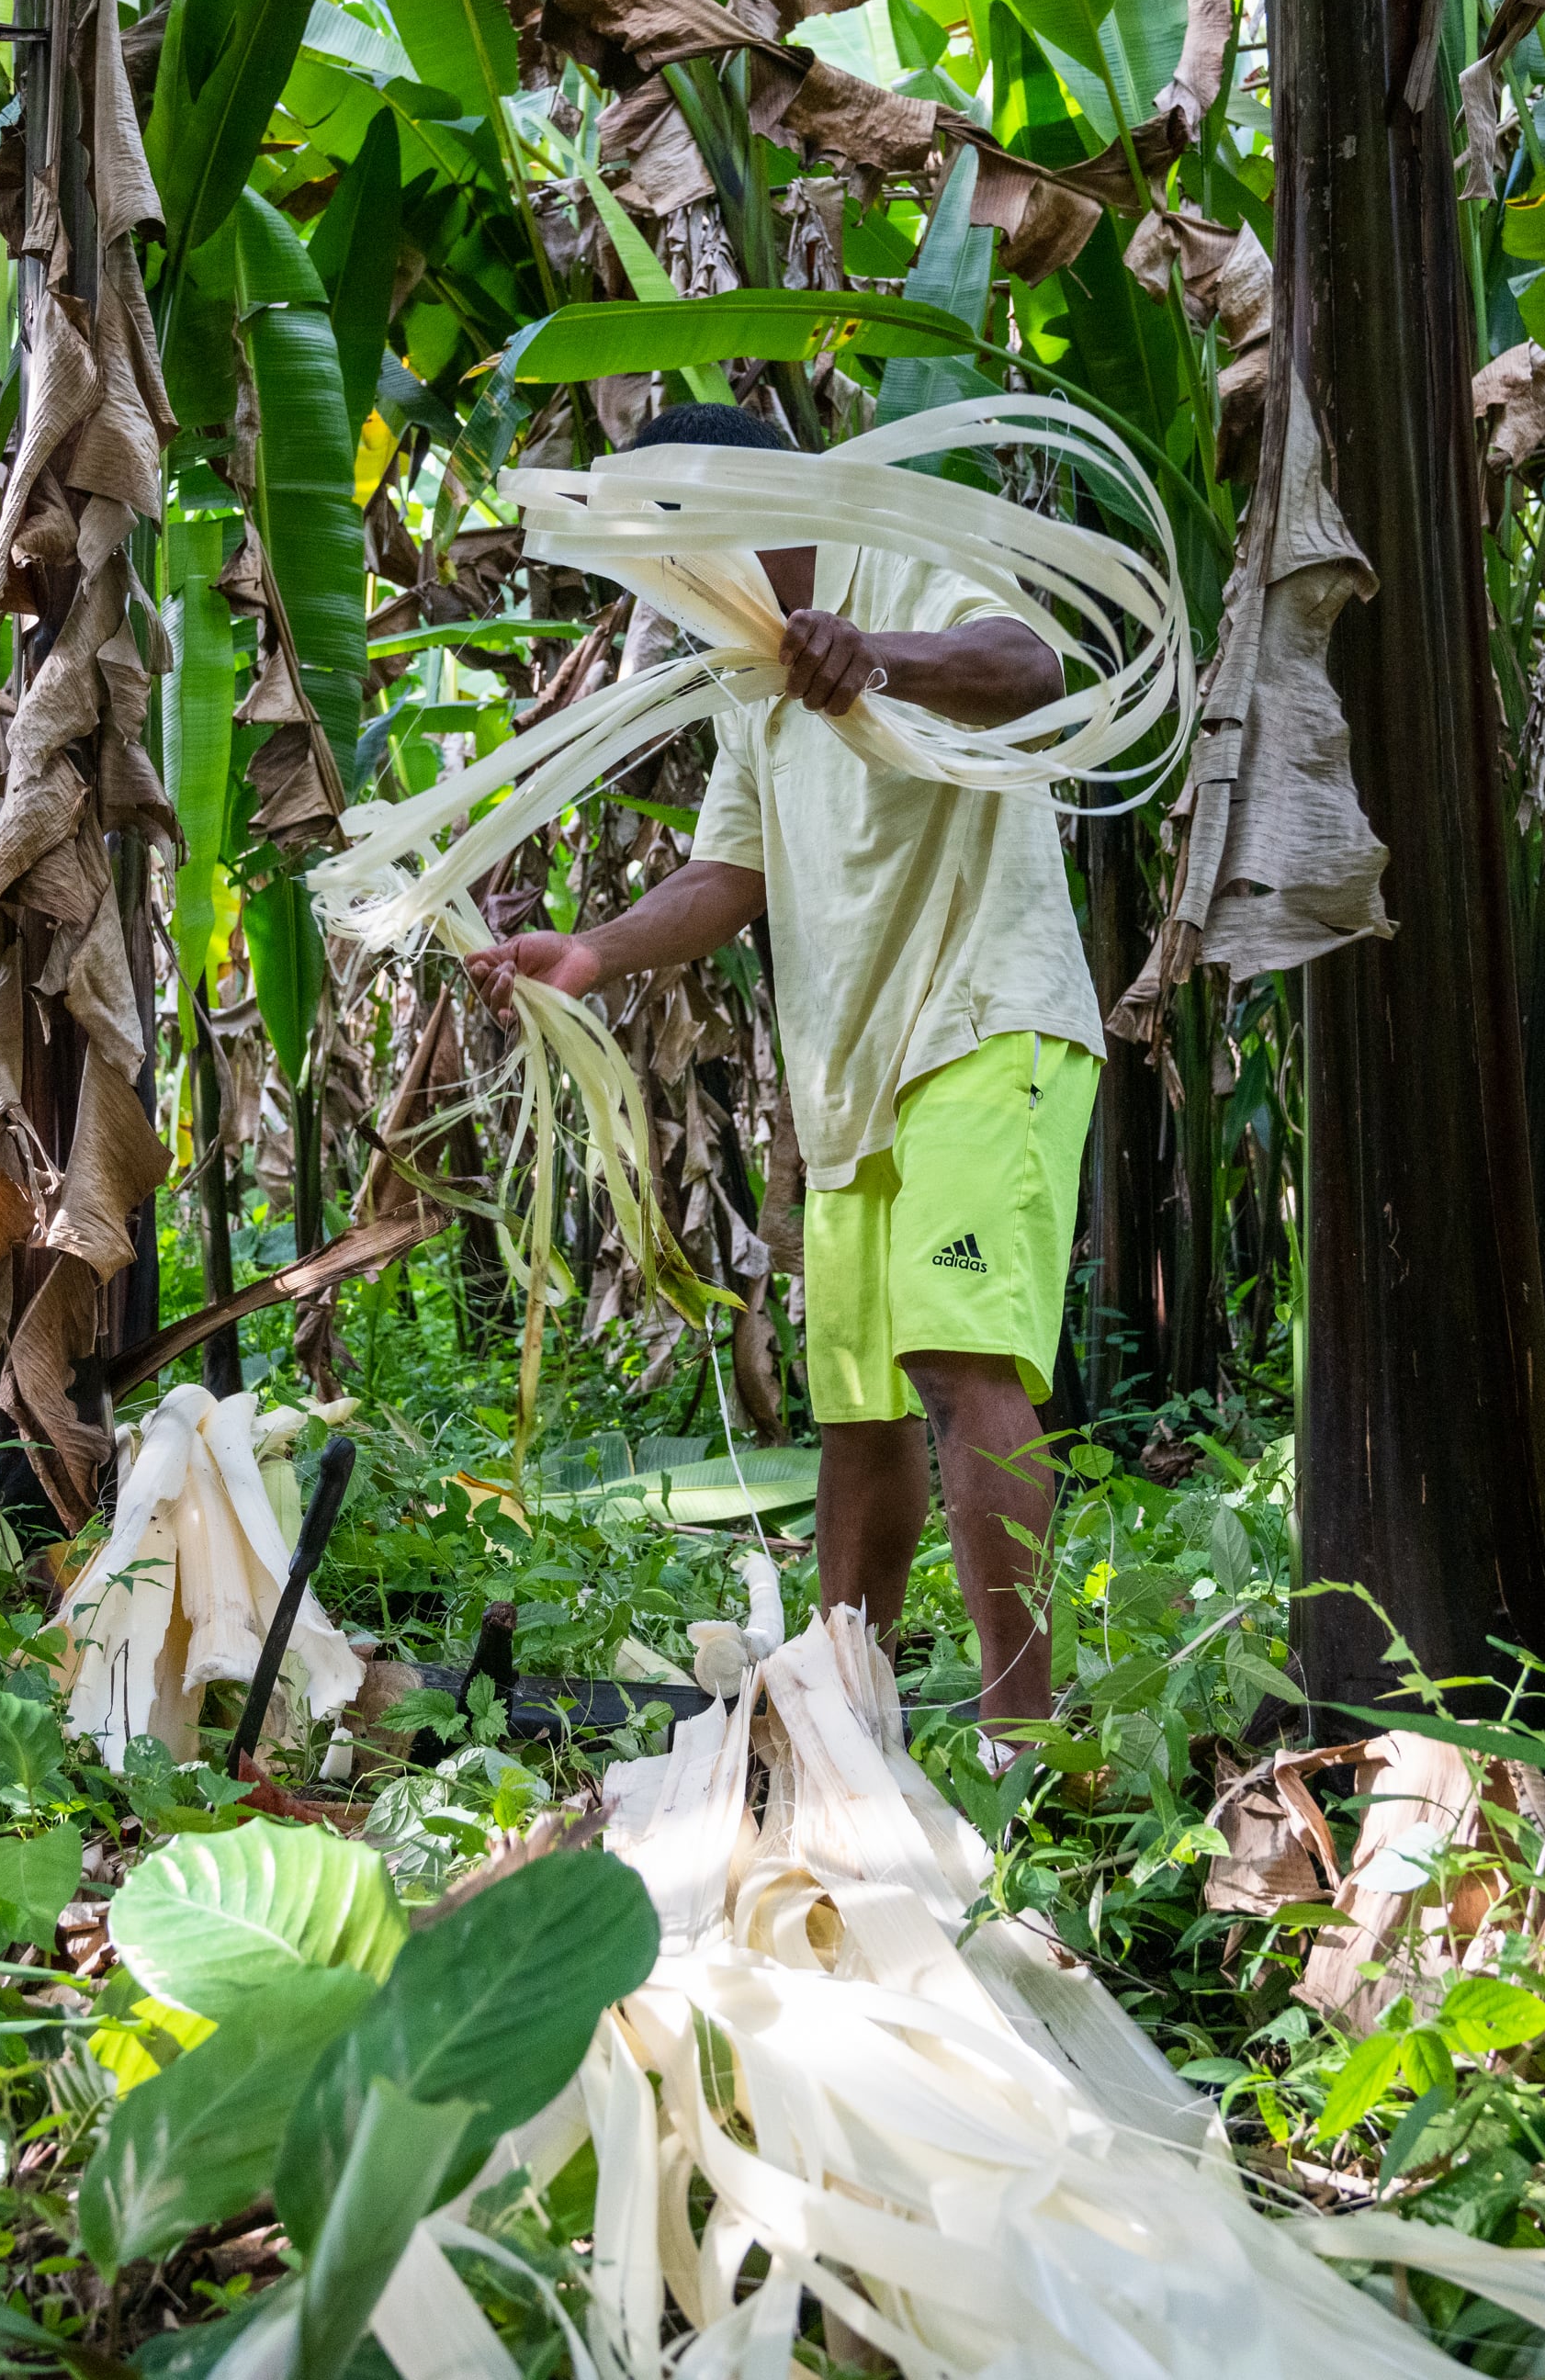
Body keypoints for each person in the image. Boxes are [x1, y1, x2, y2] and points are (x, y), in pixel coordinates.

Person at [465, 400, 1103, 1736]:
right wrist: (592, 951)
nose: (673, 576)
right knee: (860, 1414)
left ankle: (1022, 1748)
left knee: (957, 1360)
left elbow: (1023, 664)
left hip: (985, 1019)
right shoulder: (756, 680)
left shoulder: (904, 566)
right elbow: (724, 875)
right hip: (852, 1076)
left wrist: (878, 659)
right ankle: (841, 1732)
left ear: (743, 504)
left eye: (678, 536)